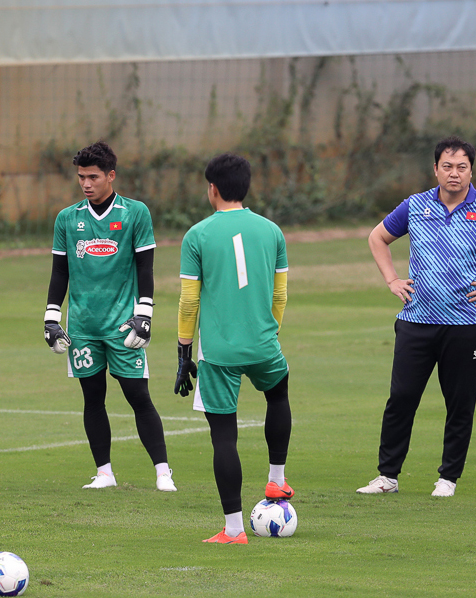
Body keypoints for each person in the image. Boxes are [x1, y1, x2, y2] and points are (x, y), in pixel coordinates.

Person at [357, 136, 476, 497]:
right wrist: (392, 278)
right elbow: (377, 237)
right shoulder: (414, 206)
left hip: (464, 325)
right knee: (401, 398)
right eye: (447, 166)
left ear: (472, 170)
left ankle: (448, 478)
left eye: (461, 167)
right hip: (415, 320)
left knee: (459, 403)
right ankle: (388, 476)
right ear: (435, 169)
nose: (454, 173)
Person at [43, 140, 176, 491]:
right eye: (81, 177)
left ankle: (163, 472)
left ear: (111, 175)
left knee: (138, 396)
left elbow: (146, 268)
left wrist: (144, 315)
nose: (86, 184)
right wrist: (51, 318)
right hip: (83, 327)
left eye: (93, 177)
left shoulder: (135, 213)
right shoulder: (68, 219)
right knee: (93, 398)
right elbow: (60, 272)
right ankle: (104, 472)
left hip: (123, 324)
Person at [175, 153, 293, 545]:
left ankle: (234, 530)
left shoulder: (197, 235)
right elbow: (280, 293)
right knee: (278, 395)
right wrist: (269, 331)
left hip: (219, 353)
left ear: (213, 189)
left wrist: (183, 351)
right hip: (264, 343)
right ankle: (277, 480)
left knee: (224, 437)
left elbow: (189, 301)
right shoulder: (272, 231)